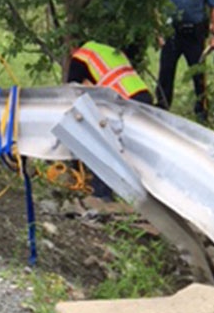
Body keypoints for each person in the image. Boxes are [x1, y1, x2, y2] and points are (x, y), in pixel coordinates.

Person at [66, 40, 153, 198]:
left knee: (103, 145)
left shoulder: (80, 56)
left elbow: (73, 94)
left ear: (73, 49)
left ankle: (101, 195)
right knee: (138, 151)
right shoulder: (107, 49)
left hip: (123, 101)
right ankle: (147, 193)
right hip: (143, 95)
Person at [155, 0, 214, 116]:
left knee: (198, 73)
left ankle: (201, 109)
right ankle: (162, 106)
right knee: (166, 71)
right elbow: (157, 5)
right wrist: (158, 32)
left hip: (194, 35)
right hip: (172, 33)